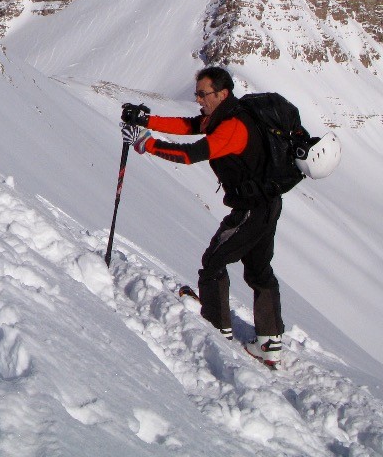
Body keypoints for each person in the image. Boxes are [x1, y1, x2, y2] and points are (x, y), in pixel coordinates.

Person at [121, 65, 285, 367]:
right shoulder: (223, 116)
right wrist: (147, 121)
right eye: (196, 93)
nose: (197, 99)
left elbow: (190, 154)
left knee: (213, 262)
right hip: (267, 203)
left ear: (222, 94)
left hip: (252, 209)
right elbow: (189, 125)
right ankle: (270, 342)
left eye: (202, 94)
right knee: (259, 269)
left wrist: (146, 143)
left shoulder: (232, 127)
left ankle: (216, 327)